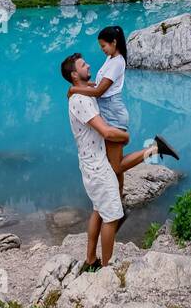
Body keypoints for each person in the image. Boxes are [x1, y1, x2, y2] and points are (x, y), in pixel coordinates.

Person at [66, 26, 178, 198]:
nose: (102, 50)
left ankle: (155, 148)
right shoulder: (111, 59)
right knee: (115, 163)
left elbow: (99, 92)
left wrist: (75, 90)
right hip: (110, 110)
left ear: (114, 43)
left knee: (116, 166)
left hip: (112, 114)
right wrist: (84, 85)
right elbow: (99, 85)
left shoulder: (117, 62)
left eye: (103, 46)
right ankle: (118, 198)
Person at [61, 51, 129, 269]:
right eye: (83, 65)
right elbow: (106, 132)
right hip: (97, 166)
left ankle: (91, 259)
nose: (88, 65)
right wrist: (125, 136)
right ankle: (107, 268)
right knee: (112, 216)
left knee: (99, 210)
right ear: (74, 74)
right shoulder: (82, 101)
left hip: (91, 163)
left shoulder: (80, 94)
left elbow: (96, 87)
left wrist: (75, 88)